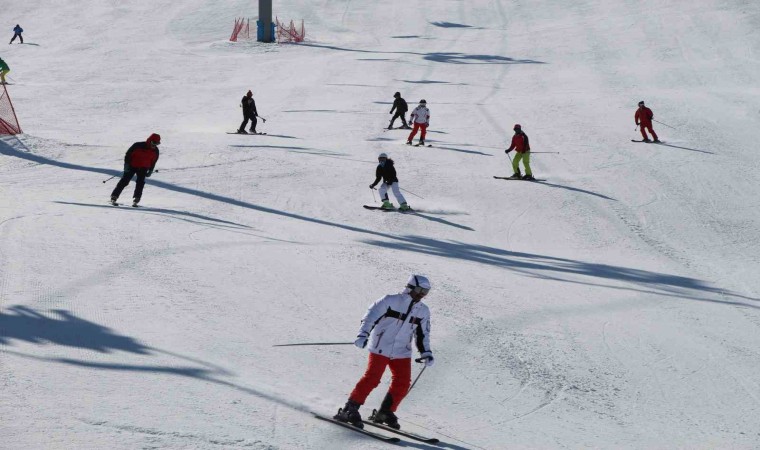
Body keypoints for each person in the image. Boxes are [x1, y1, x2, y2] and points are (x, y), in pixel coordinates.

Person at [334, 275, 434, 430]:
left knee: (402, 382)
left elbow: (422, 334)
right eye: (420, 290)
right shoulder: (390, 300)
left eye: (426, 291)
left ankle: (385, 412)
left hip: (402, 351)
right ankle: (350, 409)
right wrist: (363, 335)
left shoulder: (423, 311)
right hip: (381, 346)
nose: (422, 294)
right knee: (372, 378)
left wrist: (426, 352)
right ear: (410, 287)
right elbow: (370, 317)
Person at [110, 134, 161, 207]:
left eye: (157, 143)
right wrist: (126, 164)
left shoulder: (156, 151)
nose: (155, 145)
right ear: (149, 140)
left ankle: (136, 199)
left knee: (140, 183)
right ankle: (114, 196)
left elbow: (154, 161)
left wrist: (150, 170)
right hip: (132, 166)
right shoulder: (138, 145)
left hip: (143, 168)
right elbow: (128, 154)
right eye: (154, 143)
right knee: (124, 181)